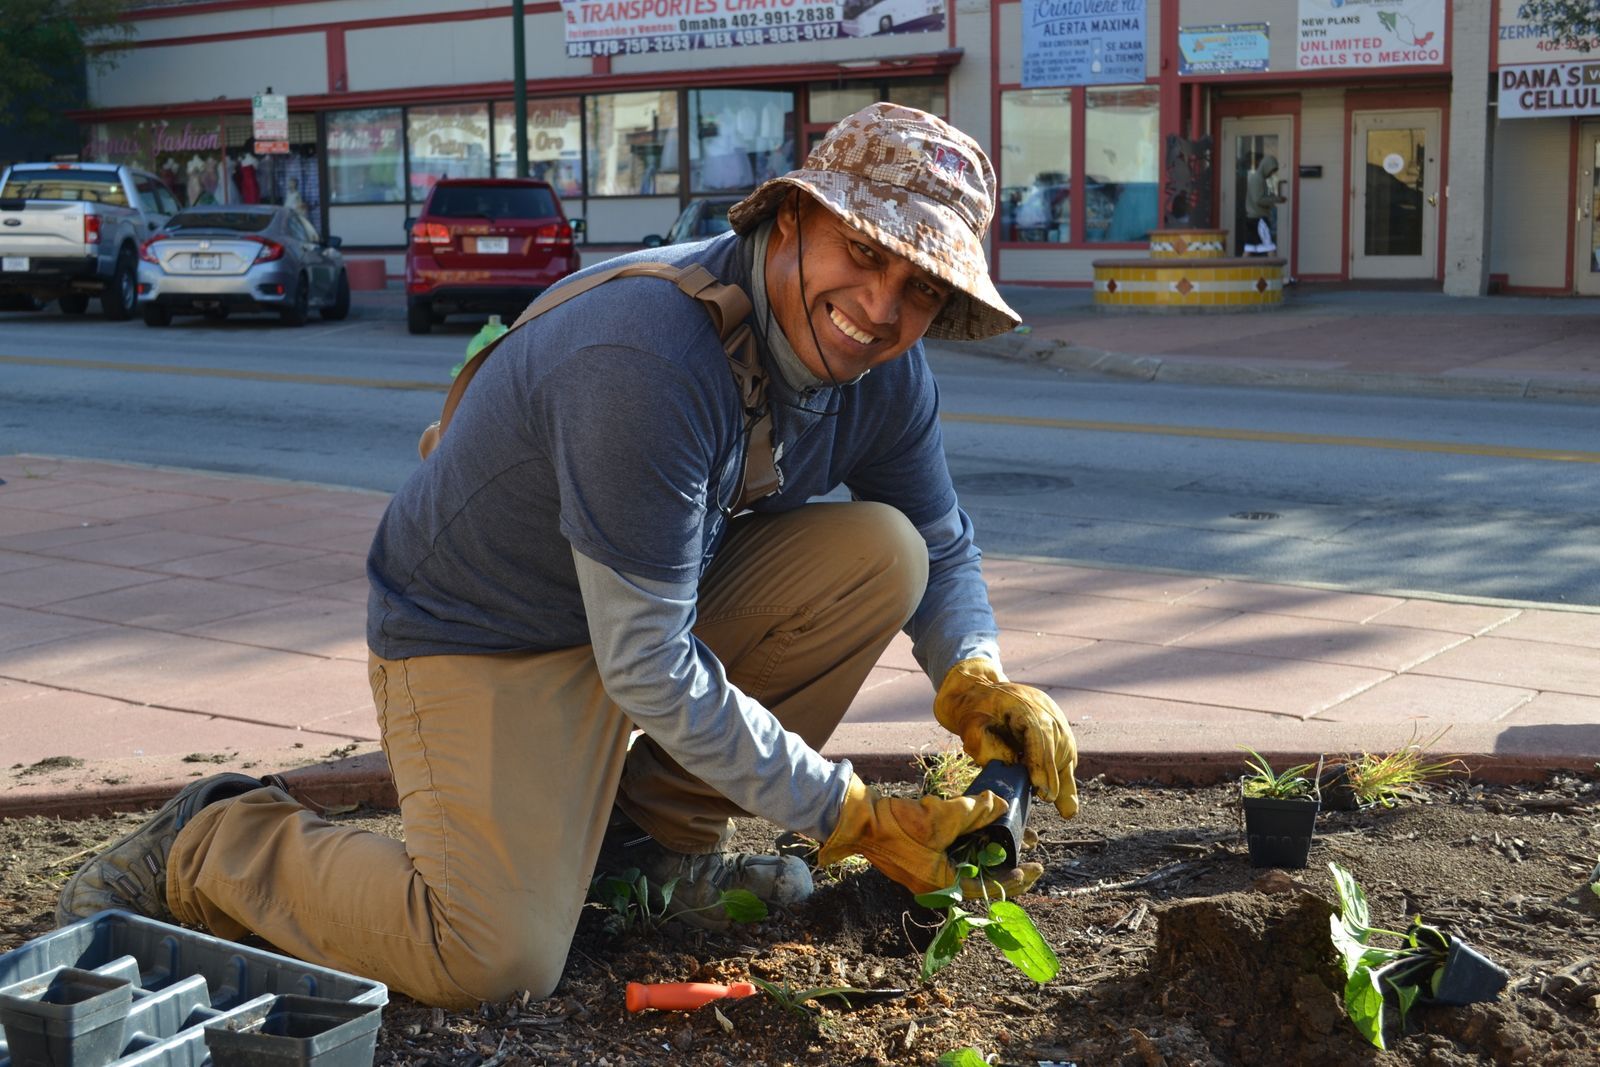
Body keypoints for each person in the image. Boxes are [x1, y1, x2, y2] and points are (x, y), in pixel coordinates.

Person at [55, 103, 1081, 1010]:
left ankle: (654, 855)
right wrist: (851, 812)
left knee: (884, 551)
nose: (881, 307)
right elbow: (647, 667)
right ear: (789, 219)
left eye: (919, 286)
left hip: (641, 608)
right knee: (491, 957)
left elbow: (942, 544)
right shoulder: (648, 354)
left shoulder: (883, 375)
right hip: (484, 631)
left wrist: (974, 671)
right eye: (863, 252)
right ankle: (214, 837)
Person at [1244, 154, 1287, 255]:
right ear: (1266, 166)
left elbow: (1258, 198)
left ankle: (1238, 269)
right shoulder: (1258, 179)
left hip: (1253, 217)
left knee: (1249, 248)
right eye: (1272, 170)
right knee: (1270, 247)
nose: (1272, 173)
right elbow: (1258, 199)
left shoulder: (1258, 178)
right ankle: (1275, 270)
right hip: (1259, 219)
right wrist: (1276, 199)